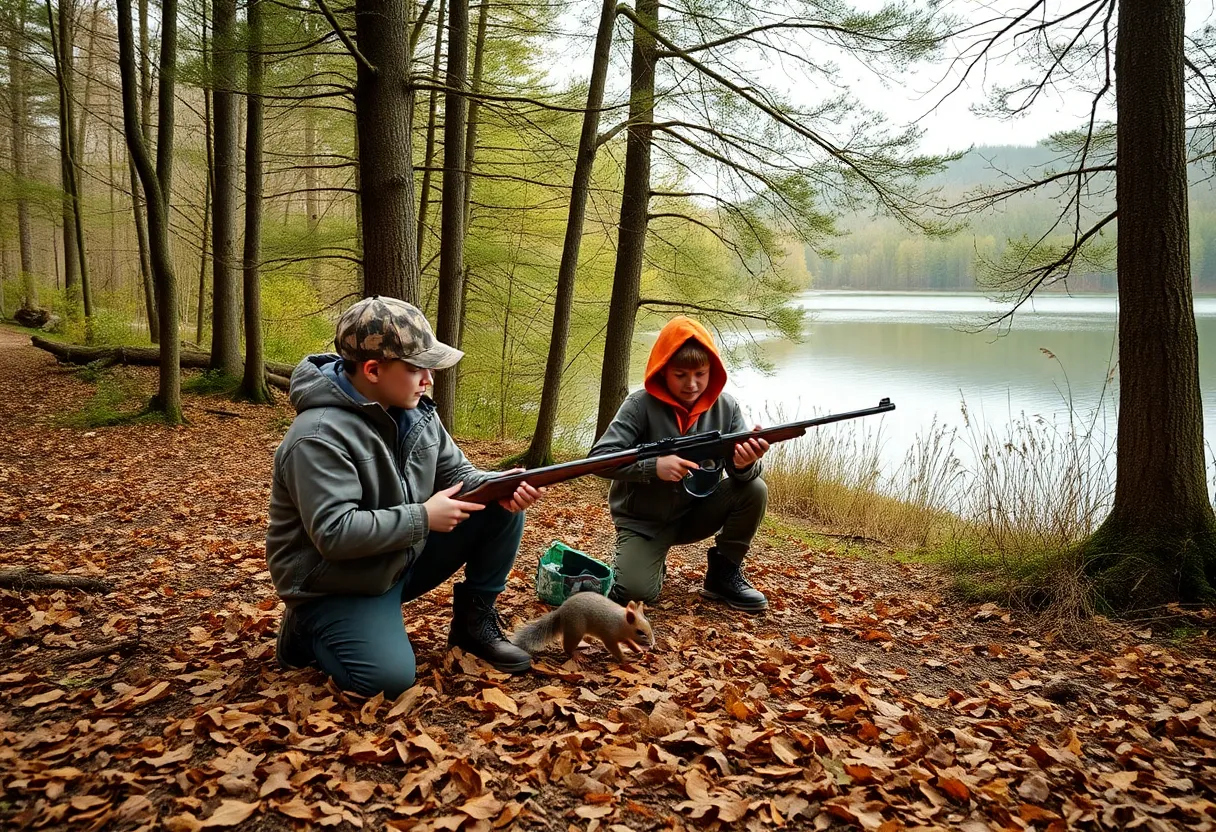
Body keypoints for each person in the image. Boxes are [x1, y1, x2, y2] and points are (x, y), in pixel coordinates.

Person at [265, 295, 542, 697]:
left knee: (497, 505)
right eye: (417, 369)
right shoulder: (317, 435)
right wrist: (423, 517)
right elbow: (334, 533)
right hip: (335, 583)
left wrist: (499, 483)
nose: (429, 379)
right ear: (374, 369)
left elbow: (459, 474)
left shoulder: (414, 411)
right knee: (387, 680)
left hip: (396, 559)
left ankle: (472, 626)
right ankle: (306, 628)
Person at [589, 316, 770, 611]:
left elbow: (744, 474)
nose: (692, 384)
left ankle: (723, 574)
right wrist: (653, 467)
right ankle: (648, 562)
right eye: (680, 374)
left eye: (701, 373)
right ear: (663, 371)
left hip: (697, 512)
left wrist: (745, 463)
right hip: (643, 522)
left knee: (755, 488)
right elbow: (599, 460)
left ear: (712, 371)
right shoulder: (639, 405)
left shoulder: (727, 407)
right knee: (636, 593)